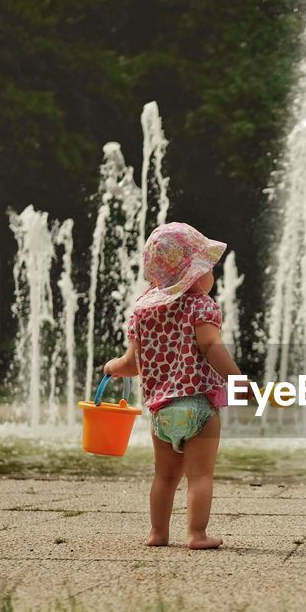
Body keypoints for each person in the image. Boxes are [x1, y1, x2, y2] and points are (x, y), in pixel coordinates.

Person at [104, 222, 241, 549]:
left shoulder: (142, 310)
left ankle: (158, 533)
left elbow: (132, 363)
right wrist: (237, 379)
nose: (213, 276)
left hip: (161, 412)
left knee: (165, 476)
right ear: (192, 275)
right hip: (198, 407)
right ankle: (196, 534)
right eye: (208, 268)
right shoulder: (200, 305)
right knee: (200, 475)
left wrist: (113, 367)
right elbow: (211, 348)